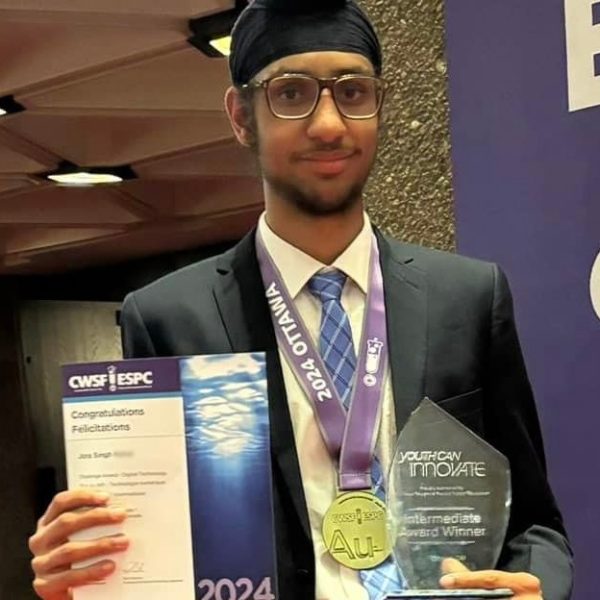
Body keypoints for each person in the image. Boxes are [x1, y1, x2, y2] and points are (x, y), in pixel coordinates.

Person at [28, 1, 573, 599]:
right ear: (242, 116)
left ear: (379, 106)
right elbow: (163, 551)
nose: (330, 124)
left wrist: (536, 585)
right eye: (291, 94)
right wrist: (91, 566)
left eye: (353, 91)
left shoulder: (467, 299)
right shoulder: (170, 319)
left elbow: (536, 525)